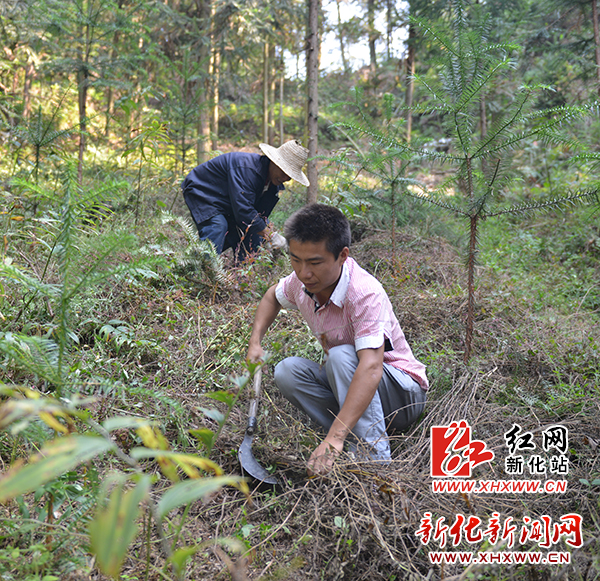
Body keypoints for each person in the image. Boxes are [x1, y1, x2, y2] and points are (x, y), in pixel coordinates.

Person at [247, 204, 429, 476]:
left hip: (402, 395)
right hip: (356, 385)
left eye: (315, 262)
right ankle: (352, 430)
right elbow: (271, 297)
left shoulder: (364, 293)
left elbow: (371, 367)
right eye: (295, 260)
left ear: (342, 255)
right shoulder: (302, 283)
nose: (303, 272)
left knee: (342, 356)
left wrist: (333, 439)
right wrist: (255, 342)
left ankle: (373, 462)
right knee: (287, 371)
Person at [182, 140, 309, 262]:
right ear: (274, 162)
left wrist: (268, 237)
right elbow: (244, 211)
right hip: (203, 190)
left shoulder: (272, 185)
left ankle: (243, 277)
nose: (285, 178)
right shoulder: (247, 170)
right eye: (284, 172)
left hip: (227, 200)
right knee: (217, 226)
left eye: (290, 176)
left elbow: (257, 217)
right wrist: (271, 236)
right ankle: (199, 270)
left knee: (253, 234)